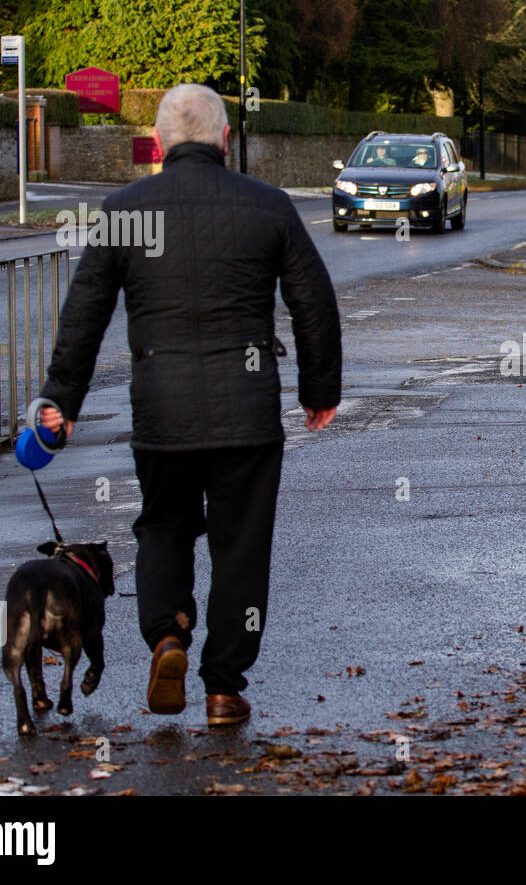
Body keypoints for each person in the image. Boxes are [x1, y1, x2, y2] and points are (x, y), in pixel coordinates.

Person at [35, 83, 343, 726]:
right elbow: (313, 303)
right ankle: (224, 687)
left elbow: (85, 313)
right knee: (240, 545)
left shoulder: (125, 211)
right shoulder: (268, 205)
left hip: (163, 411)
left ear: (161, 144)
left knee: (164, 526)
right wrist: (320, 391)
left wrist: (61, 399)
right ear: (225, 138)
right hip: (247, 415)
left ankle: (167, 636)